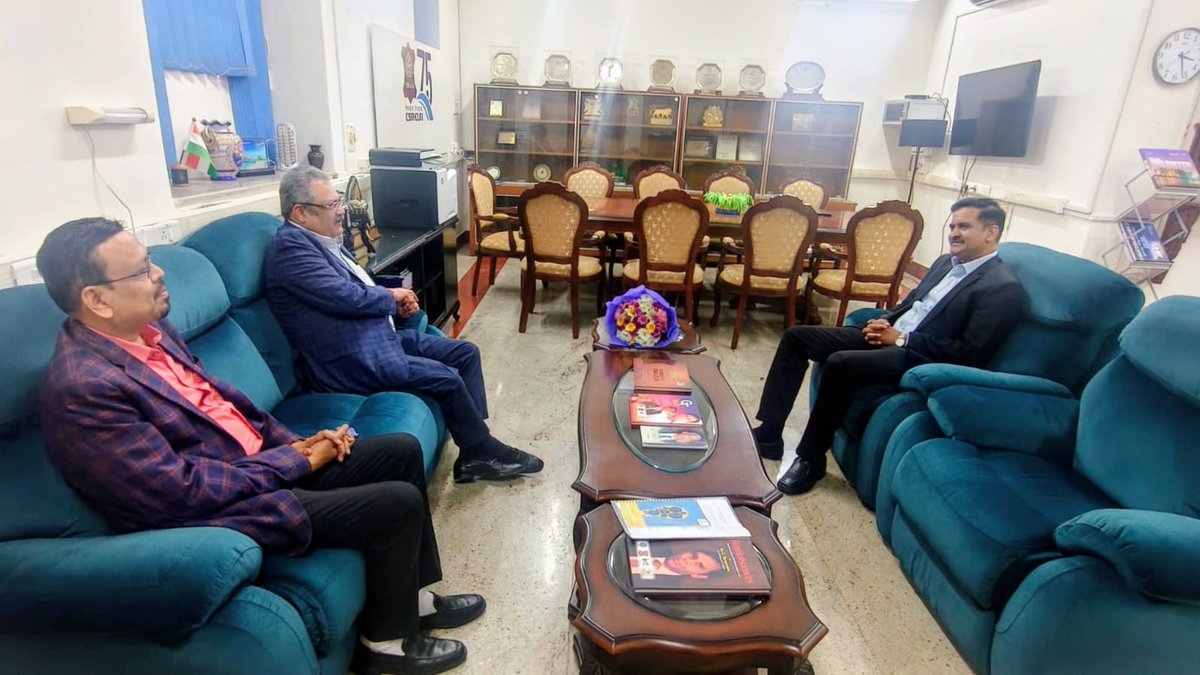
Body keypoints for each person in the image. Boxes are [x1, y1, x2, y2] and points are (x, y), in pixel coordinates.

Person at [36, 218, 480, 675]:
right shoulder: (85, 388)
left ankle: (412, 599)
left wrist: (299, 443)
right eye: (143, 269)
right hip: (224, 506)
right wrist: (295, 460)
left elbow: (230, 407)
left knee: (400, 451)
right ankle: (385, 644)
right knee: (396, 503)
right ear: (97, 299)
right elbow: (178, 491)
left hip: (260, 466)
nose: (159, 273)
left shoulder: (153, 331)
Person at [264, 166, 543, 484]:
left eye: (338, 201)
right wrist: (391, 296)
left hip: (379, 337)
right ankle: (480, 448)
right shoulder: (291, 250)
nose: (341, 210)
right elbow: (343, 295)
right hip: (351, 358)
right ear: (300, 212)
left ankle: (474, 446)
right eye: (331, 205)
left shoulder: (322, 240)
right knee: (447, 378)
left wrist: (394, 303)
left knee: (466, 353)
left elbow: (357, 287)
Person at [755, 197, 1026, 495]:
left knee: (841, 363)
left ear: (991, 232)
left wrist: (901, 338)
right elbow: (911, 304)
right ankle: (769, 433)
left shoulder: (1002, 287)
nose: (954, 234)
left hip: (917, 355)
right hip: (891, 334)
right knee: (796, 337)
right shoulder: (944, 264)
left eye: (964, 226)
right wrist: (883, 321)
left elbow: (971, 353)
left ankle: (810, 459)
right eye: (952, 227)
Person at [630, 548, 727, 579]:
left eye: (699, 565)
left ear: (698, 576)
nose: (687, 560)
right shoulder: (655, 544)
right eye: (693, 555)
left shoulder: (665, 593)